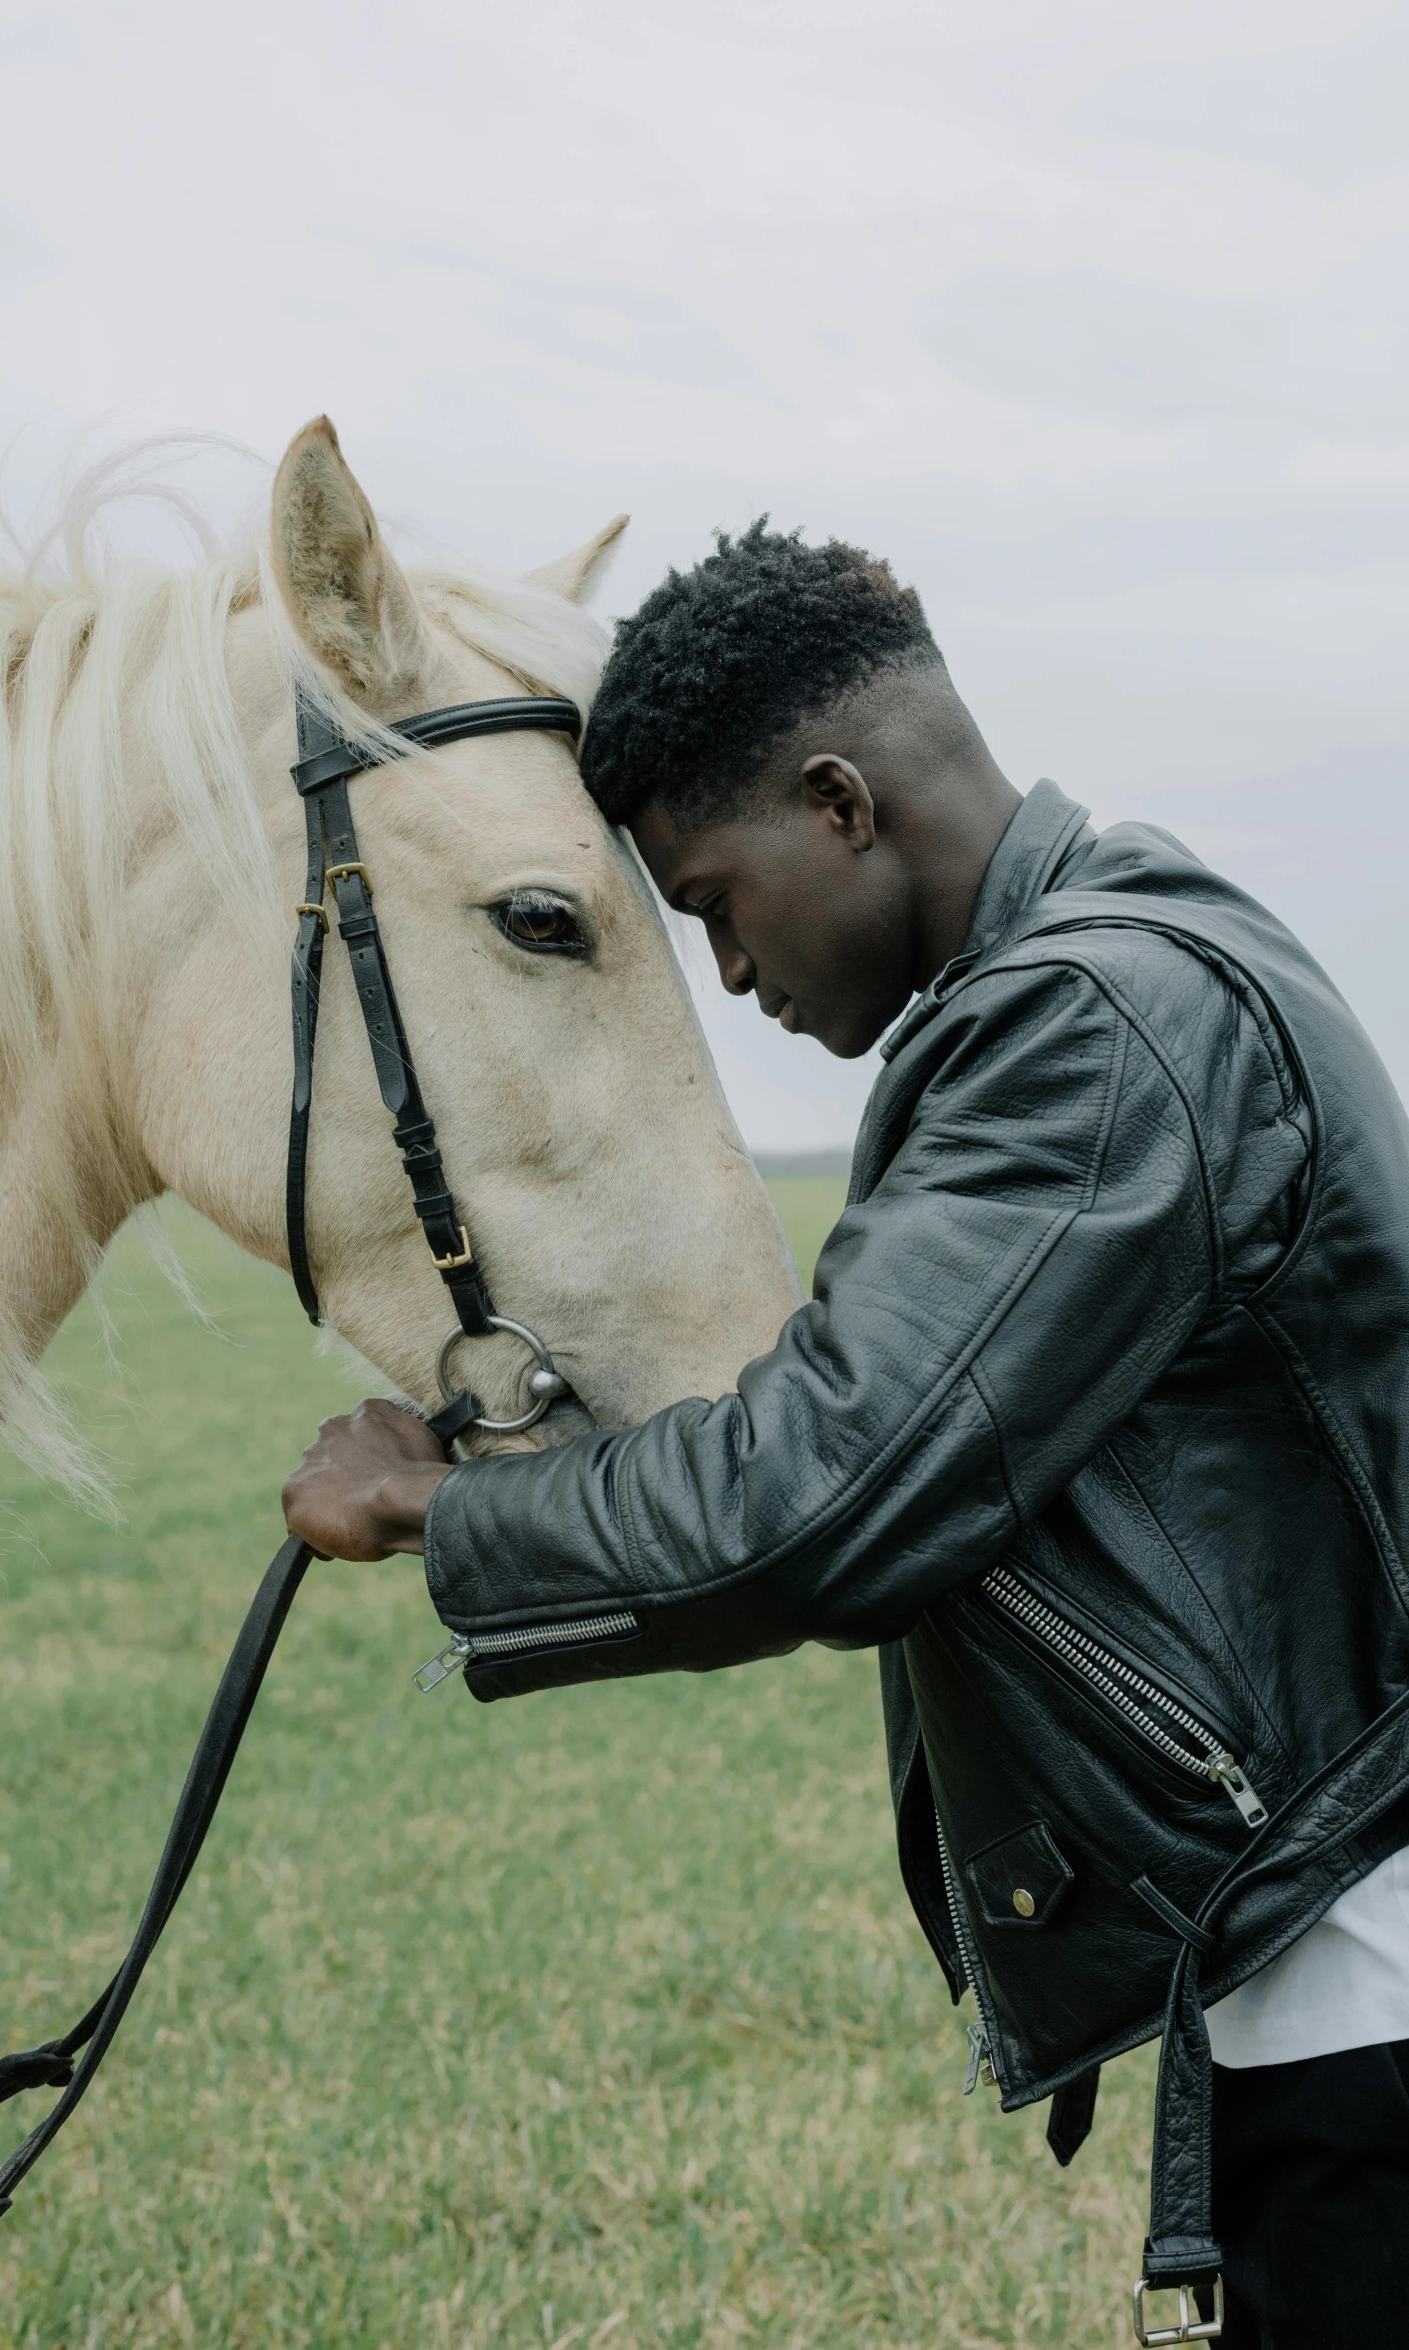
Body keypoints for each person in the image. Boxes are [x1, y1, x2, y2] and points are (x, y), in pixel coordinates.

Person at [282, 522, 1409, 2349]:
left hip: (1359, 2003)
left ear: (839, 804)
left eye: (715, 898)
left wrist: (435, 1506)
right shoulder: (1127, 959)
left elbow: (823, 1490)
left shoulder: (1092, 1026)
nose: (725, 973)